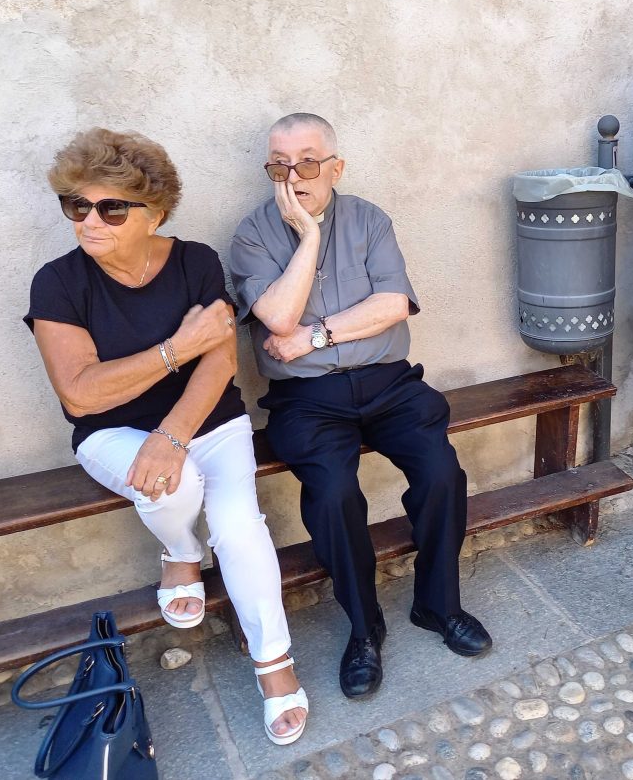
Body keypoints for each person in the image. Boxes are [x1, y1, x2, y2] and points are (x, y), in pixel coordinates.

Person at [25, 128, 308, 746]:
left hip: (210, 420)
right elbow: (80, 394)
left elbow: (221, 360)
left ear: (153, 213)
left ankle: (274, 662)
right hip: (111, 431)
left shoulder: (194, 261)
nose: (88, 221)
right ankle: (179, 550)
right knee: (168, 484)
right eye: (77, 204)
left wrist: (174, 434)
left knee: (237, 525)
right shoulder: (58, 283)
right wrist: (176, 347)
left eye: (110, 208)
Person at [229, 113, 492, 700]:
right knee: (333, 494)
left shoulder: (370, 220)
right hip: (307, 400)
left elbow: (393, 304)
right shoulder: (252, 234)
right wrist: (309, 237)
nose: (292, 177)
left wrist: (315, 336)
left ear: (337, 167)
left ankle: (437, 604)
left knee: (441, 472)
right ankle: (364, 626)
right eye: (279, 165)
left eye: (307, 163)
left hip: (389, 384)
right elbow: (277, 318)